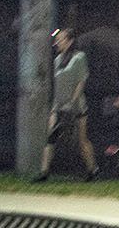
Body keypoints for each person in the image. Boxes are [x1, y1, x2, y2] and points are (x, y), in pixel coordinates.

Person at [40, 27, 97, 180]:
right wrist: (56, 106)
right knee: (50, 137)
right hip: (58, 105)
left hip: (76, 105)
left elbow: (81, 81)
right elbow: (58, 84)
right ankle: (44, 172)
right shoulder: (57, 60)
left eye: (61, 39)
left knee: (82, 140)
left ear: (70, 41)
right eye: (57, 40)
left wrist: (73, 102)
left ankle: (92, 169)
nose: (57, 42)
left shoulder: (79, 57)